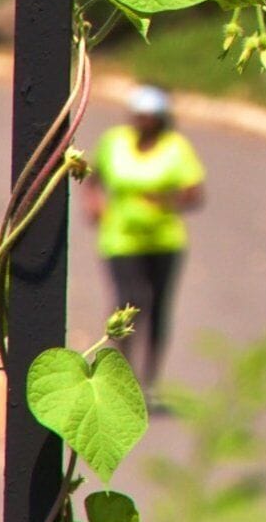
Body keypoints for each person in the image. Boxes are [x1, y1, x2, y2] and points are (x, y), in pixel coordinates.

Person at [78, 83, 206, 391]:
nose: (144, 121)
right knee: (129, 300)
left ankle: (150, 380)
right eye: (139, 115)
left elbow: (194, 193)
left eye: (151, 116)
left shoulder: (176, 147)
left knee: (158, 305)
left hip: (164, 239)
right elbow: (94, 178)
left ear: (161, 118)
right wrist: (93, 203)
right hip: (120, 237)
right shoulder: (114, 142)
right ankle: (124, 375)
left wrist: (165, 200)